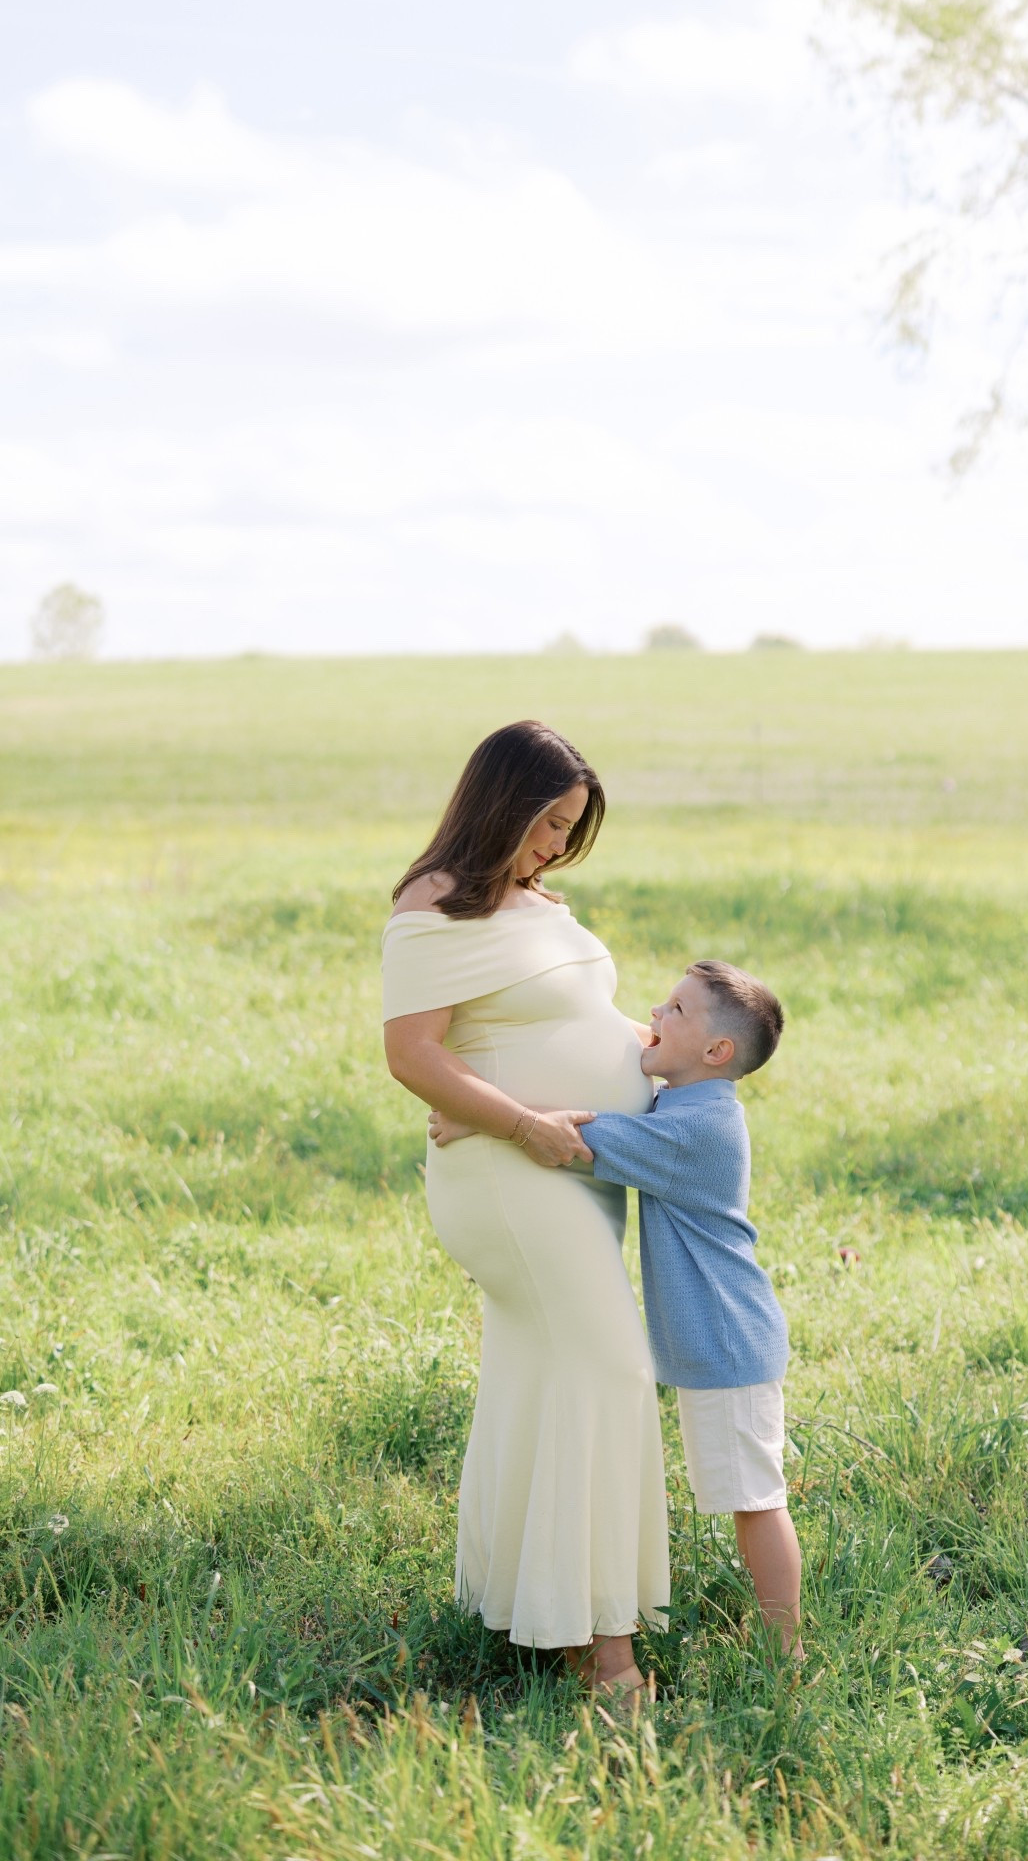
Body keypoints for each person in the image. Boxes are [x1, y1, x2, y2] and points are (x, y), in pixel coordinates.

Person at [382, 720, 668, 1702]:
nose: (554, 845)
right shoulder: (433, 904)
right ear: (499, 802)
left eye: (570, 830)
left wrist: (686, 1054)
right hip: (508, 1173)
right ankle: (608, 1652)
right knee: (612, 1365)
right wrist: (517, 1119)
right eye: (547, 823)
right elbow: (414, 1052)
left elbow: (584, 1021)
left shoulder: (544, 902)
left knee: (540, 1369)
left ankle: (524, 1605)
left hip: (575, 1171)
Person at [434, 958, 802, 1657]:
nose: (655, 1017)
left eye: (675, 1011)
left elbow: (576, 1139)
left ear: (716, 1053)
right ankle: (777, 1634)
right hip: (718, 1341)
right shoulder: (690, 1104)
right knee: (744, 1490)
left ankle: (784, 1644)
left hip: (728, 1342)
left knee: (754, 1496)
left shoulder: (698, 1129)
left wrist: (477, 1118)